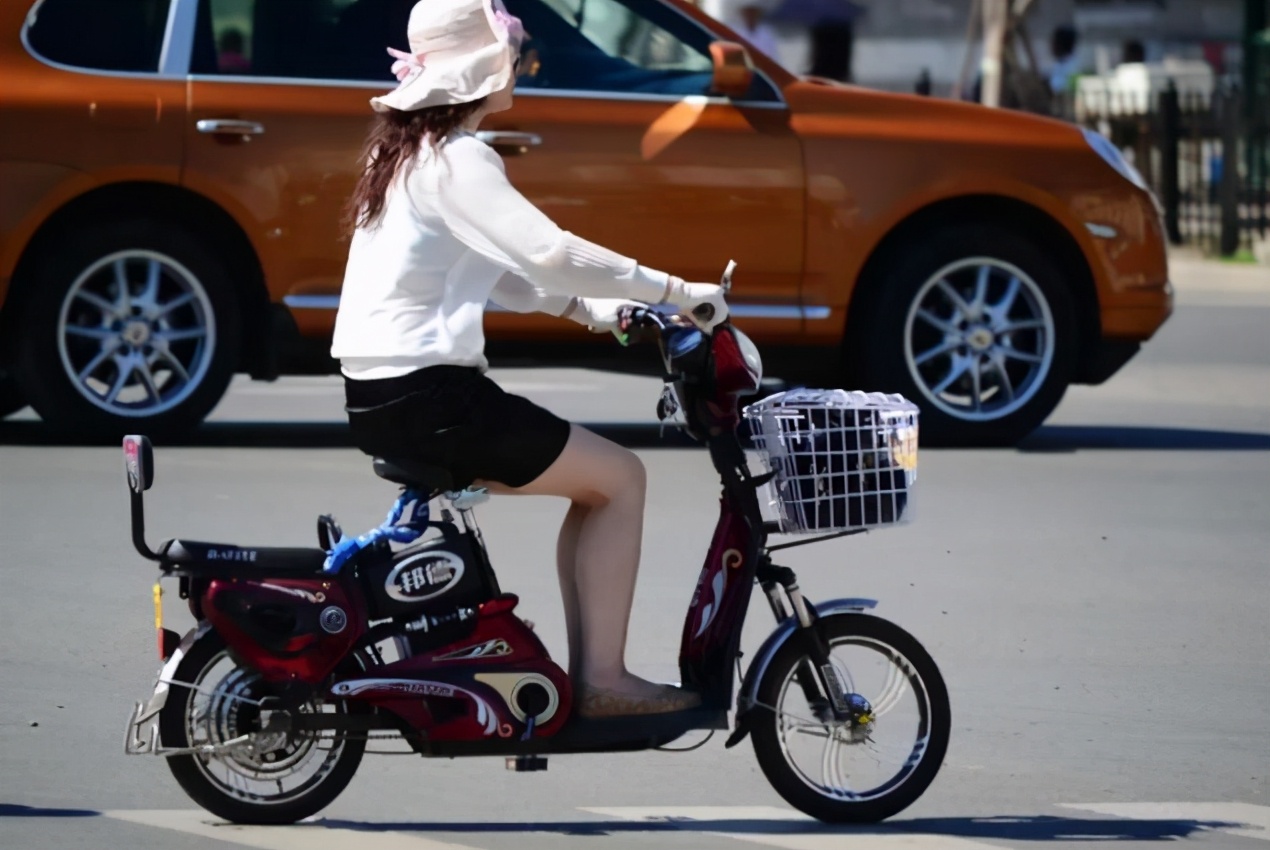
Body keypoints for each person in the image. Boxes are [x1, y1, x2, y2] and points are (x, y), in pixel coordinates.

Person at [331, 0, 728, 719]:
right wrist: (675, 290)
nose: (521, 59)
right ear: (485, 69)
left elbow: (503, 276)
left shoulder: (403, 153)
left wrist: (596, 310)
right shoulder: (459, 158)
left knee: (598, 485)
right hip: (434, 400)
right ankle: (604, 682)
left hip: (380, 395)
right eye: (512, 49)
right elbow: (548, 251)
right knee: (622, 479)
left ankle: (594, 676)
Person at [1047, 24, 1080, 94]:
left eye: (1054, 43)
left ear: (1061, 45)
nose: (1051, 46)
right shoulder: (1059, 63)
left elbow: (1059, 89)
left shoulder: (1072, 67)